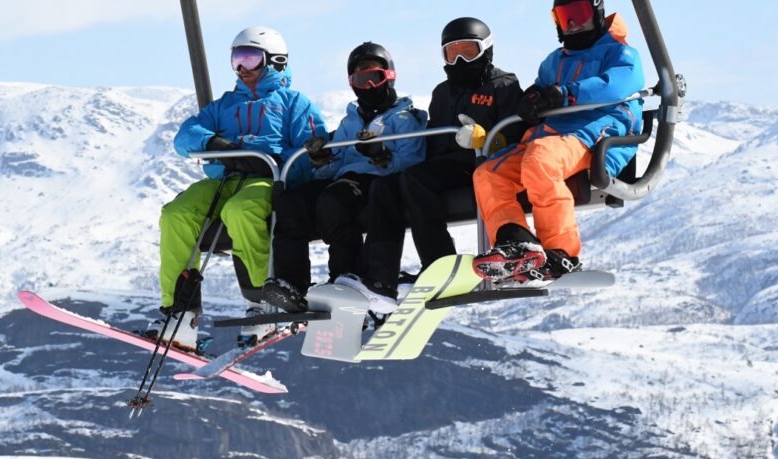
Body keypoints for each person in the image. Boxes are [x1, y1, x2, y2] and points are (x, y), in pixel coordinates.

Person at [149, 26, 327, 349]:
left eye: (250, 58)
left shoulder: (294, 104)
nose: (242, 68)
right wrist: (214, 143)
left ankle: (262, 302)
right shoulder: (225, 105)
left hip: (267, 180)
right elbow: (185, 136)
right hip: (225, 179)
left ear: (274, 61)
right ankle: (180, 314)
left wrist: (272, 161)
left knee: (241, 211)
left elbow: (314, 153)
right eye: (237, 60)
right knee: (176, 214)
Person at [336, 18, 524, 314]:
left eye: (468, 51)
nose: (460, 60)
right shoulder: (442, 92)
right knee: (386, 186)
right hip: (446, 164)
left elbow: (517, 133)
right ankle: (380, 281)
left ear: (486, 51)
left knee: (414, 180)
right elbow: (433, 143)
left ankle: (439, 263)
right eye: (452, 53)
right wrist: (385, 156)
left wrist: (485, 140)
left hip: (483, 162)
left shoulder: (503, 85)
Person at [472, 0, 645, 284]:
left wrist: (564, 94)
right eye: (565, 17)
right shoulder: (554, 61)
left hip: (597, 129)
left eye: (579, 14)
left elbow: (614, 86)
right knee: (487, 173)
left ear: (598, 15)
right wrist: (532, 99)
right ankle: (517, 243)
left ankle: (561, 252)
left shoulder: (620, 53)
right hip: (552, 134)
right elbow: (543, 90)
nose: (573, 23)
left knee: (541, 160)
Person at [262, 42, 428, 313]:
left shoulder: (404, 118)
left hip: (379, 181)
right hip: (344, 179)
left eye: (374, 78)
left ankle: (346, 276)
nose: (368, 87)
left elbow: (413, 161)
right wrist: (321, 159)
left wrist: (381, 155)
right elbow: (333, 168)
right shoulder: (349, 122)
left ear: (389, 76)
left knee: (334, 200)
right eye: (361, 80)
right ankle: (292, 282)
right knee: (292, 202)